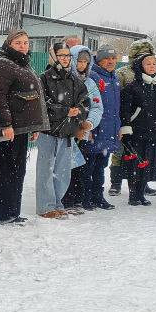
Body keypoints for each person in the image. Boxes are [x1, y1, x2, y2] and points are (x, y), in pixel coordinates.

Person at [0, 30, 50, 224]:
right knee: (6, 170)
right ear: (9, 44)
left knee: (18, 170)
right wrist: (6, 124)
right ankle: (1, 214)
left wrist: (35, 126)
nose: (23, 46)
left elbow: (34, 97)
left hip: (21, 128)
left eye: (26, 42)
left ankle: (13, 211)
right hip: (10, 129)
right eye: (18, 43)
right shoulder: (2, 65)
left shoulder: (23, 64)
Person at [35, 43, 91, 219]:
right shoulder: (44, 78)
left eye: (68, 55)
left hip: (67, 133)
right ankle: (45, 206)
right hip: (48, 132)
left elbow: (85, 101)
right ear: (54, 57)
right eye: (61, 55)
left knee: (63, 171)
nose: (65, 58)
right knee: (46, 170)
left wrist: (79, 111)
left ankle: (58, 203)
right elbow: (42, 103)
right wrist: (64, 110)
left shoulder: (75, 80)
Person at [119, 53, 156, 206]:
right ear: (141, 67)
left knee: (149, 163)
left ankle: (141, 192)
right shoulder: (132, 87)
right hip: (136, 132)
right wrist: (126, 130)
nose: (152, 66)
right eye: (148, 64)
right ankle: (133, 195)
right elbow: (125, 110)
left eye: (154, 64)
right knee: (135, 164)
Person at [110, 39, 156, 198]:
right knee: (120, 151)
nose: (144, 57)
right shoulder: (123, 72)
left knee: (144, 154)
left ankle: (143, 183)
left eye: (147, 54)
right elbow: (117, 95)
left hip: (147, 121)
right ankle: (116, 182)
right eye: (140, 54)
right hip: (126, 117)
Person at [81, 45, 123, 210]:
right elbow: (89, 105)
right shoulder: (93, 77)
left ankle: (98, 197)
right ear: (99, 60)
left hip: (109, 131)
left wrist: (117, 127)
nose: (111, 61)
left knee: (101, 165)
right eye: (107, 58)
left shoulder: (115, 78)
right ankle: (86, 198)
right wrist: (89, 128)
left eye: (113, 58)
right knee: (89, 166)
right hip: (95, 130)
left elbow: (116, 108)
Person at [62, 44, 103, 210]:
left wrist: (89, 123)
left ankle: (79, 198)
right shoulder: (64, 80)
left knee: (82, 166)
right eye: (79, 61)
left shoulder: (91, 83)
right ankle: (65, 198)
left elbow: (97, 106)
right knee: (65, 167)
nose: (82, 65)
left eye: (86, 62)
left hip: (84, 132)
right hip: (66, 131)